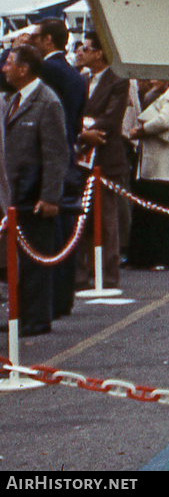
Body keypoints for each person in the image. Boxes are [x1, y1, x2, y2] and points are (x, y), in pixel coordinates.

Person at [3, 45, 70, 335]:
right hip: (13, 194)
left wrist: (49, 196)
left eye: (8, 63)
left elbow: (56, 154)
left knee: (35, 259)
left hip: (34, 195)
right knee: (16, 259)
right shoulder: (11, 100)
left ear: (23, 68)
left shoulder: (47, 102)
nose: (4, 68)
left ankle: (37, 318)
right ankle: (21, 315)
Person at [74, 32, 130, 289]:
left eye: (85, 49)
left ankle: (108, 273)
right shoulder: (82, 79)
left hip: (106, 155)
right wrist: (83, 130)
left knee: (107, 218)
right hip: (83, 154)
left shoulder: (117, 79)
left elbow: (112, 118)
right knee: (82, 216)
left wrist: (85, 127)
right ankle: (82, 272)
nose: (80, 53)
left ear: (99, 52)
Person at [126, 80, 169, 270]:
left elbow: (165, 120)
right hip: (152, 163)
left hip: (163, 165)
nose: (152, 79)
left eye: (157, 75)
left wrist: (142, 130)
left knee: (159, 213)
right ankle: (143, 257)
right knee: (148, 211)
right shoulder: (158, 93)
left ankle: (162, 257)